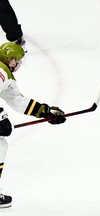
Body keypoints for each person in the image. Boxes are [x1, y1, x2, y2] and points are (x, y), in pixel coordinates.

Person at [0, 42, 66, 208]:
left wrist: (45, 112)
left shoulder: (6, 75)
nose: (20, 64)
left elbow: (18, 101)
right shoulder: (1, 72)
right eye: (18, 61)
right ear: (11, 60)